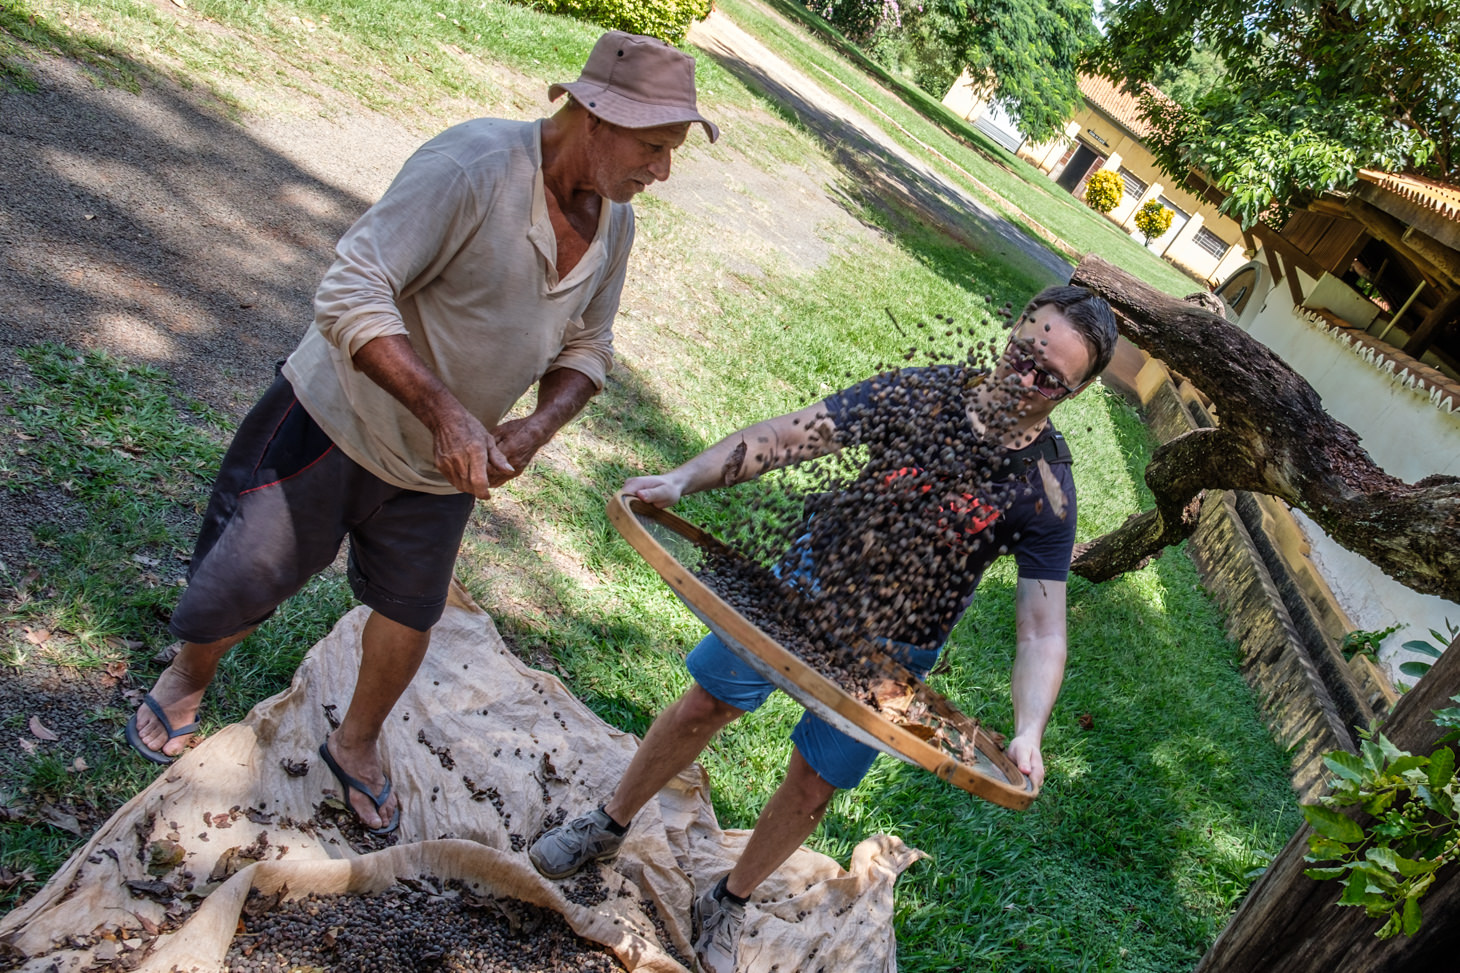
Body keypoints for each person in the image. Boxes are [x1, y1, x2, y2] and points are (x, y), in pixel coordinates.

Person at [124, 31, 719, 836]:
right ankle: (186, 678)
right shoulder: (473, 167)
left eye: (671, 150)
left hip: (445, 467)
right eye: (653, 146)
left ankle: (357, 741)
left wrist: (534, 429)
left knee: (410, 612)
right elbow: (350, 287)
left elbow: (590, 344)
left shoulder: (614, 225)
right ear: (592, 117)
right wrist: (445, 411)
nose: (661, 170)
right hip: (339, 419)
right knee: (246, 575)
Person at [529, 285, 1118, 972]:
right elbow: (791, 435)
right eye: (1025, 353)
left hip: (895, 652)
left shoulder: (1045, 490)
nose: (1025, 379)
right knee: (707, 701)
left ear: (1071, 393)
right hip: (807, 584)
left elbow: (1042, 630)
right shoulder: (923, 392)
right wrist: (683, 480)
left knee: (814, 783)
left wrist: (1028, 729)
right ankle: (608, 820)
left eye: (1049, 378)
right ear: (1015, 328)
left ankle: (732, 897)